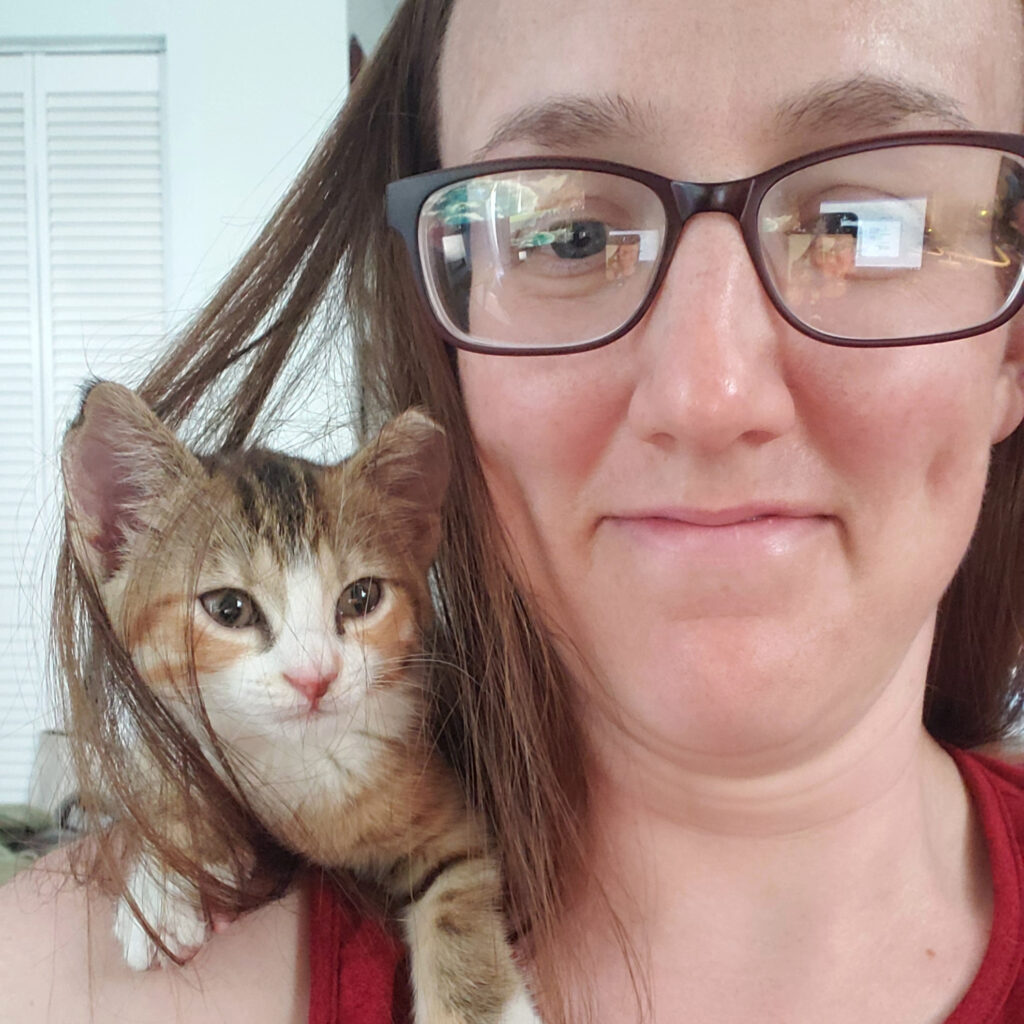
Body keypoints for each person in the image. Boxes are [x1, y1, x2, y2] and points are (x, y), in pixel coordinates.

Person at [4, 0, 1024, 1021]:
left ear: (1012, 346)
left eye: (862, 227)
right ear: (442, 333)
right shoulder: (52, 984)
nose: (708, 397)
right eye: (567, 236)